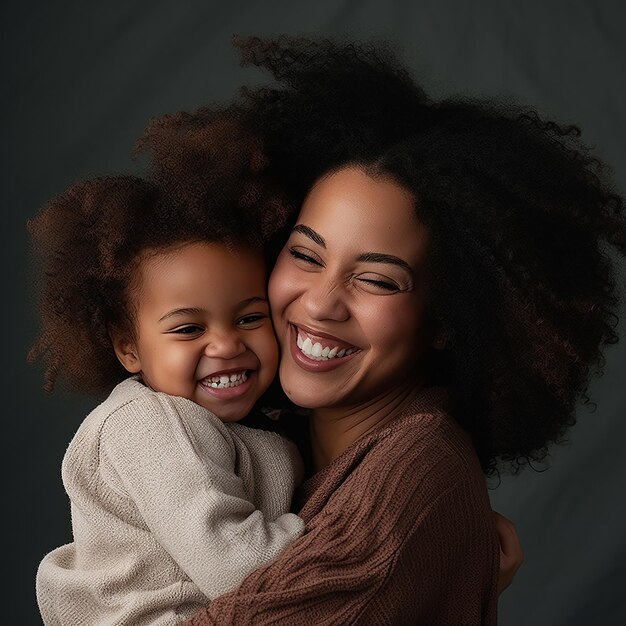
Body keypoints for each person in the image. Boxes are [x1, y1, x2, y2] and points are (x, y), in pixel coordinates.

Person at [133, 37, 625, 625]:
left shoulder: (418, 481)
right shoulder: (264, 440)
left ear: (446, 319)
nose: (320, 304)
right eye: (306, 256)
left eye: (378, 281)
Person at [28, 129, 307, 626]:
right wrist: (338, 526)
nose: (225, 345)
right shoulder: (152, 425)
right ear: (128, 347)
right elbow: (239, 565)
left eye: (249, 317)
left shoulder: (240, 425)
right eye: (188, 328)